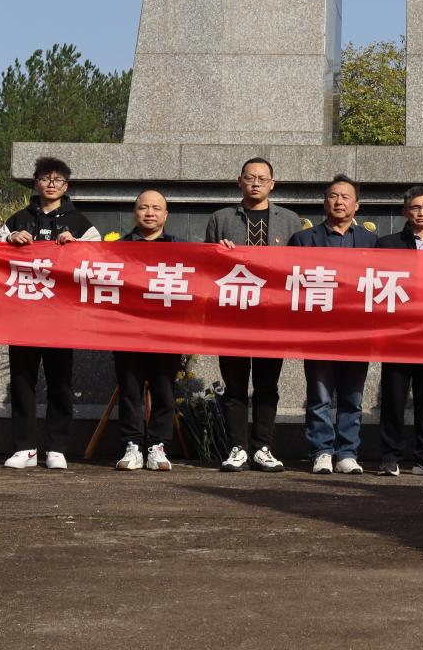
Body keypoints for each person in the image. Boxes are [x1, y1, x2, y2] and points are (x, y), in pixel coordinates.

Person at [0, 156, 101, 470]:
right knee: (22, 382)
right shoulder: (18, 219)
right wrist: (9, 240)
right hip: (23, 315)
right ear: (36, 183)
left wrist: (76, 245)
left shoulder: (80, 222)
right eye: (45, 178)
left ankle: (56, 448)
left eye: (58, 179)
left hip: (61, 317)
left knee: (60, 382)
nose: (51, 184)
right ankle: (24, 448)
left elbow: (99, 257)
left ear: (66, 186)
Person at [206, 157, 302, 473]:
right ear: (240, 181)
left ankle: (262, 447)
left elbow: (299, 268)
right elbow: (205, 269)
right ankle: (237, 448)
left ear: (272, 184)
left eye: (262, 178)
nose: (256, 183)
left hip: (271, 318)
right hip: (232, 316)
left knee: (266, 386)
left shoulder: (290, 221)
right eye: (250, 177)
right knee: (234, 388)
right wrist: (217, 253)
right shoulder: (220, 219)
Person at [289, 175, 377, 475]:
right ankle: (321, 451)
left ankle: (347, 452)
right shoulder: (303, 239)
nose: (339, 202)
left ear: (357, 205)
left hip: (357, 331)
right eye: (333, 196)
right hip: (318, 331)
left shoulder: (370, 241)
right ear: (324, 201)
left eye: (345, 197)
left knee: (353, 397)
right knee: (320, 397)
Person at [375, 185, 423, 477]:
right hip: (397, 332)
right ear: (405, 211)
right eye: (416, 207)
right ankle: (390, 456)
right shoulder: (387, 244)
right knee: (393, 397)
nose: (421, 213)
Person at [114, 190, 184, 473]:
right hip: (127, 331)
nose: (150, 213)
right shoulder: (117, 248)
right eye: (144, 207)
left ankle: (158, 446)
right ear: (135, 212)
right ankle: (132, 444)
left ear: (166, 215)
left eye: (156, 208)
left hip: (167, 333)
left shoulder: (182, 248)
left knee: (164, 389)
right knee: (129, 389)